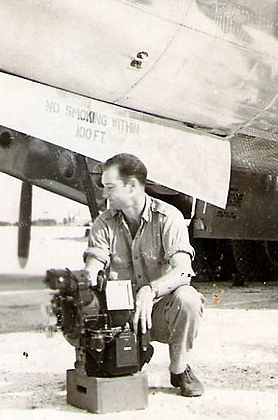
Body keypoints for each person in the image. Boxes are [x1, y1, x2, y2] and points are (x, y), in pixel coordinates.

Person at [84, 153, 205, 397]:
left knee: (188, 298)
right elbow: (94, 263)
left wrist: (150, 291)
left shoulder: (168, 218)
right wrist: (86, 281)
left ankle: (179, 369)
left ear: (131, 187)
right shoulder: (103, 224)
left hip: (157, 314)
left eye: (109, 187)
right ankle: (103, 360)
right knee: (80, 306)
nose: (104, 194)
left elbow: (183, 269)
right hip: (119, 318)